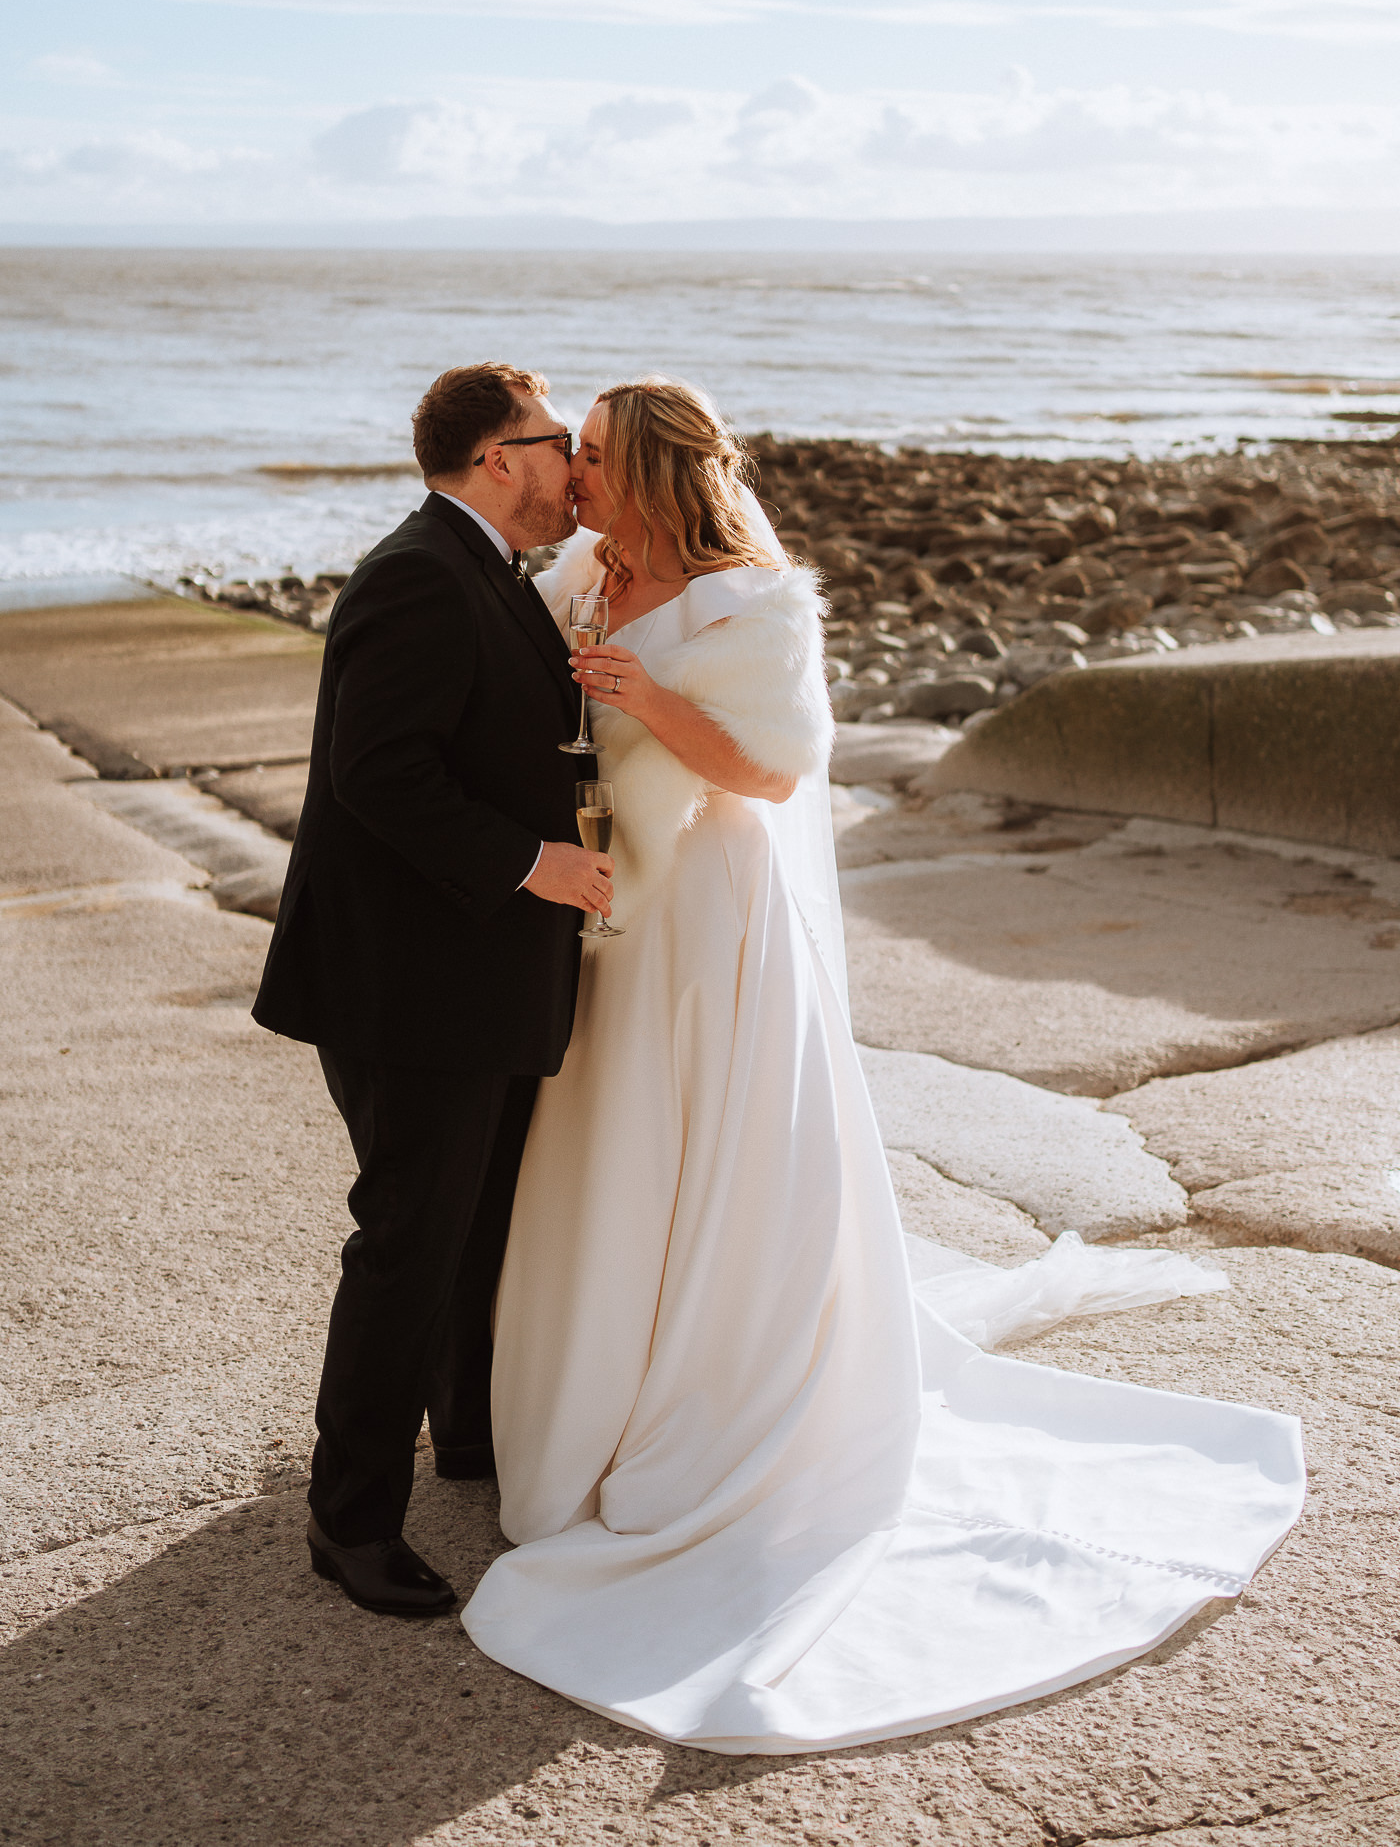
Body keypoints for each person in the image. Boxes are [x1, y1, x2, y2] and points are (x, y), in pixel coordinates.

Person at [459, 376, 1306, 1754]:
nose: (577, 478)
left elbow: (777, 778)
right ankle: (587, 1407)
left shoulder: (751, 606)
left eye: (600, 458)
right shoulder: (573, 577)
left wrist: (645, 697)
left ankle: (721, 1411)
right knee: (608, 1161)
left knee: (718, 1159)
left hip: (715, 926)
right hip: (617, 920)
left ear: (662, 472)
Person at [252, 361, 614, 1618]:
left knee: (477, 1225)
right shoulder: (415, 572)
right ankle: (347, 1522)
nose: (574, 465)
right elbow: (378, 773)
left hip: (476, 972)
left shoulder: (487, 572)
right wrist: (534, 862)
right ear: (498, 456)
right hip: (407, 985)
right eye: (559, 441)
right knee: (409, 1240)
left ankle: (467, 1436)